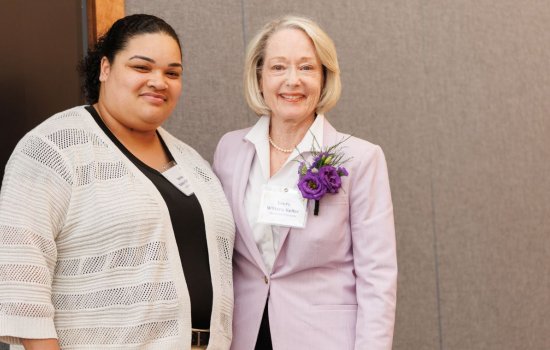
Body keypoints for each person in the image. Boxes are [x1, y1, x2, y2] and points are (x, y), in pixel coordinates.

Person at [0, 14, 234, 350]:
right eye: (142, 67)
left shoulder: (194, 163)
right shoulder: (53, 148)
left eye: (172, 73)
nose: (159, 81)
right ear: (105, 68)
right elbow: (22, 281)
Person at [213, 15, 397, 349]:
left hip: (324, 338)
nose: (292, 81)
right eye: (278, 67)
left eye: (307, 68)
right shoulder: (230, 150)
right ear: (259, 76)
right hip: (244, 335)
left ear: (325, 76)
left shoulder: (360, 159)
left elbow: (378, 277)